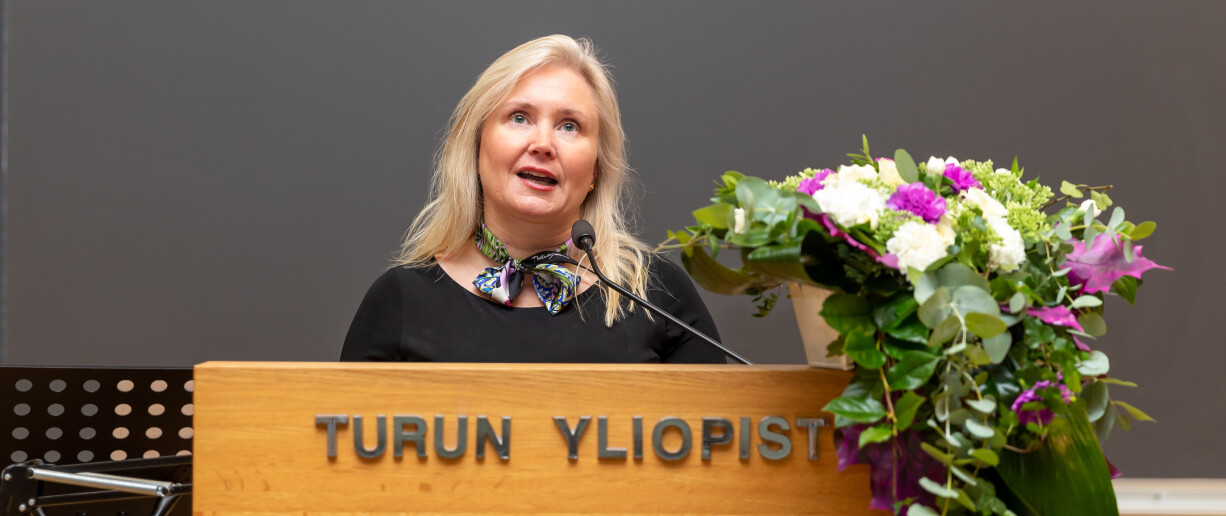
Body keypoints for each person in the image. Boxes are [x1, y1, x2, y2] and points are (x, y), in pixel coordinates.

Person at [340, 35, 724, 363]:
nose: (543, 144)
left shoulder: (658, 297)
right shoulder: (401, 299)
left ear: (595, 169)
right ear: (477, 147)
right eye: (520, 117)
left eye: (569, 126)